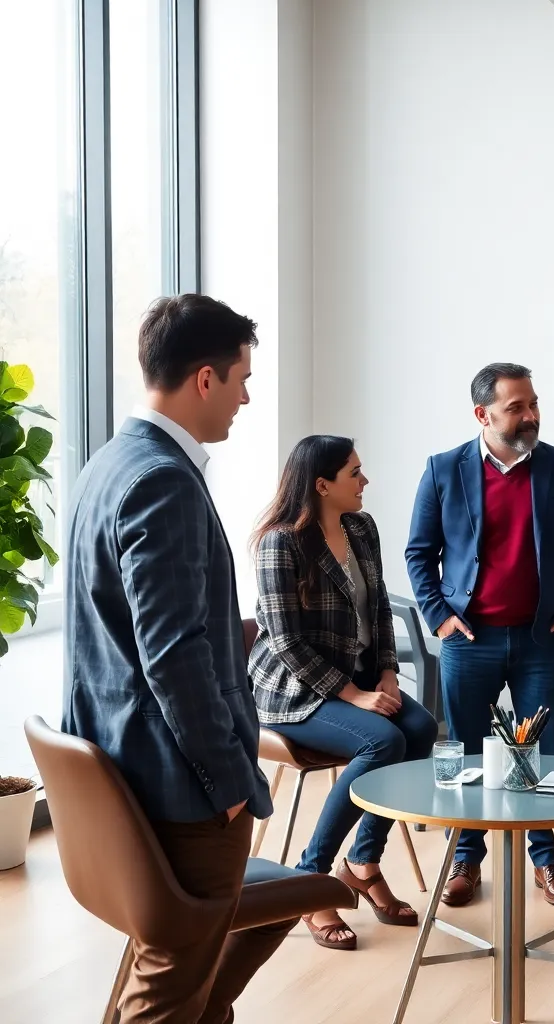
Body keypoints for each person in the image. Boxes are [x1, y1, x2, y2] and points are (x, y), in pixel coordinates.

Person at [62, 294, 285, 1023]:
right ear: (204, 379)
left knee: (169, 969)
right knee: (168, 986)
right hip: (179, 788)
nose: (247, 397)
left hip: (125, 769)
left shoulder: (109, 463)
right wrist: (228, 781)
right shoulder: (163, 480)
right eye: (243, 378)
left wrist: (229, 632)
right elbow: (172, 656)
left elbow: (132, 628)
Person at [405, 362, 554, 909]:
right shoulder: (444, 469)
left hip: (542, 641)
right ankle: (465, 857)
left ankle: (547, 861)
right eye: (517, 406)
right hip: (470, 640)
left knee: (542, 751)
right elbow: (419, 553)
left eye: (533, 402)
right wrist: (440, 618)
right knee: (467, 750)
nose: (531, 414)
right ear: (483, 413)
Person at [249, 435, 438, 951]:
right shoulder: (280, 542)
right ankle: (312, 881)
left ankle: (362, 863)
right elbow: (285, 640)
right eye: (355, 472)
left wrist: (387, 674)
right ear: (322, 484)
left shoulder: (360, 527)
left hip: (358, 677)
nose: (365, 480)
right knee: (383, 742)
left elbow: (377, 608)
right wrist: (353, 694)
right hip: (294, 690)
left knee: (419, 728)